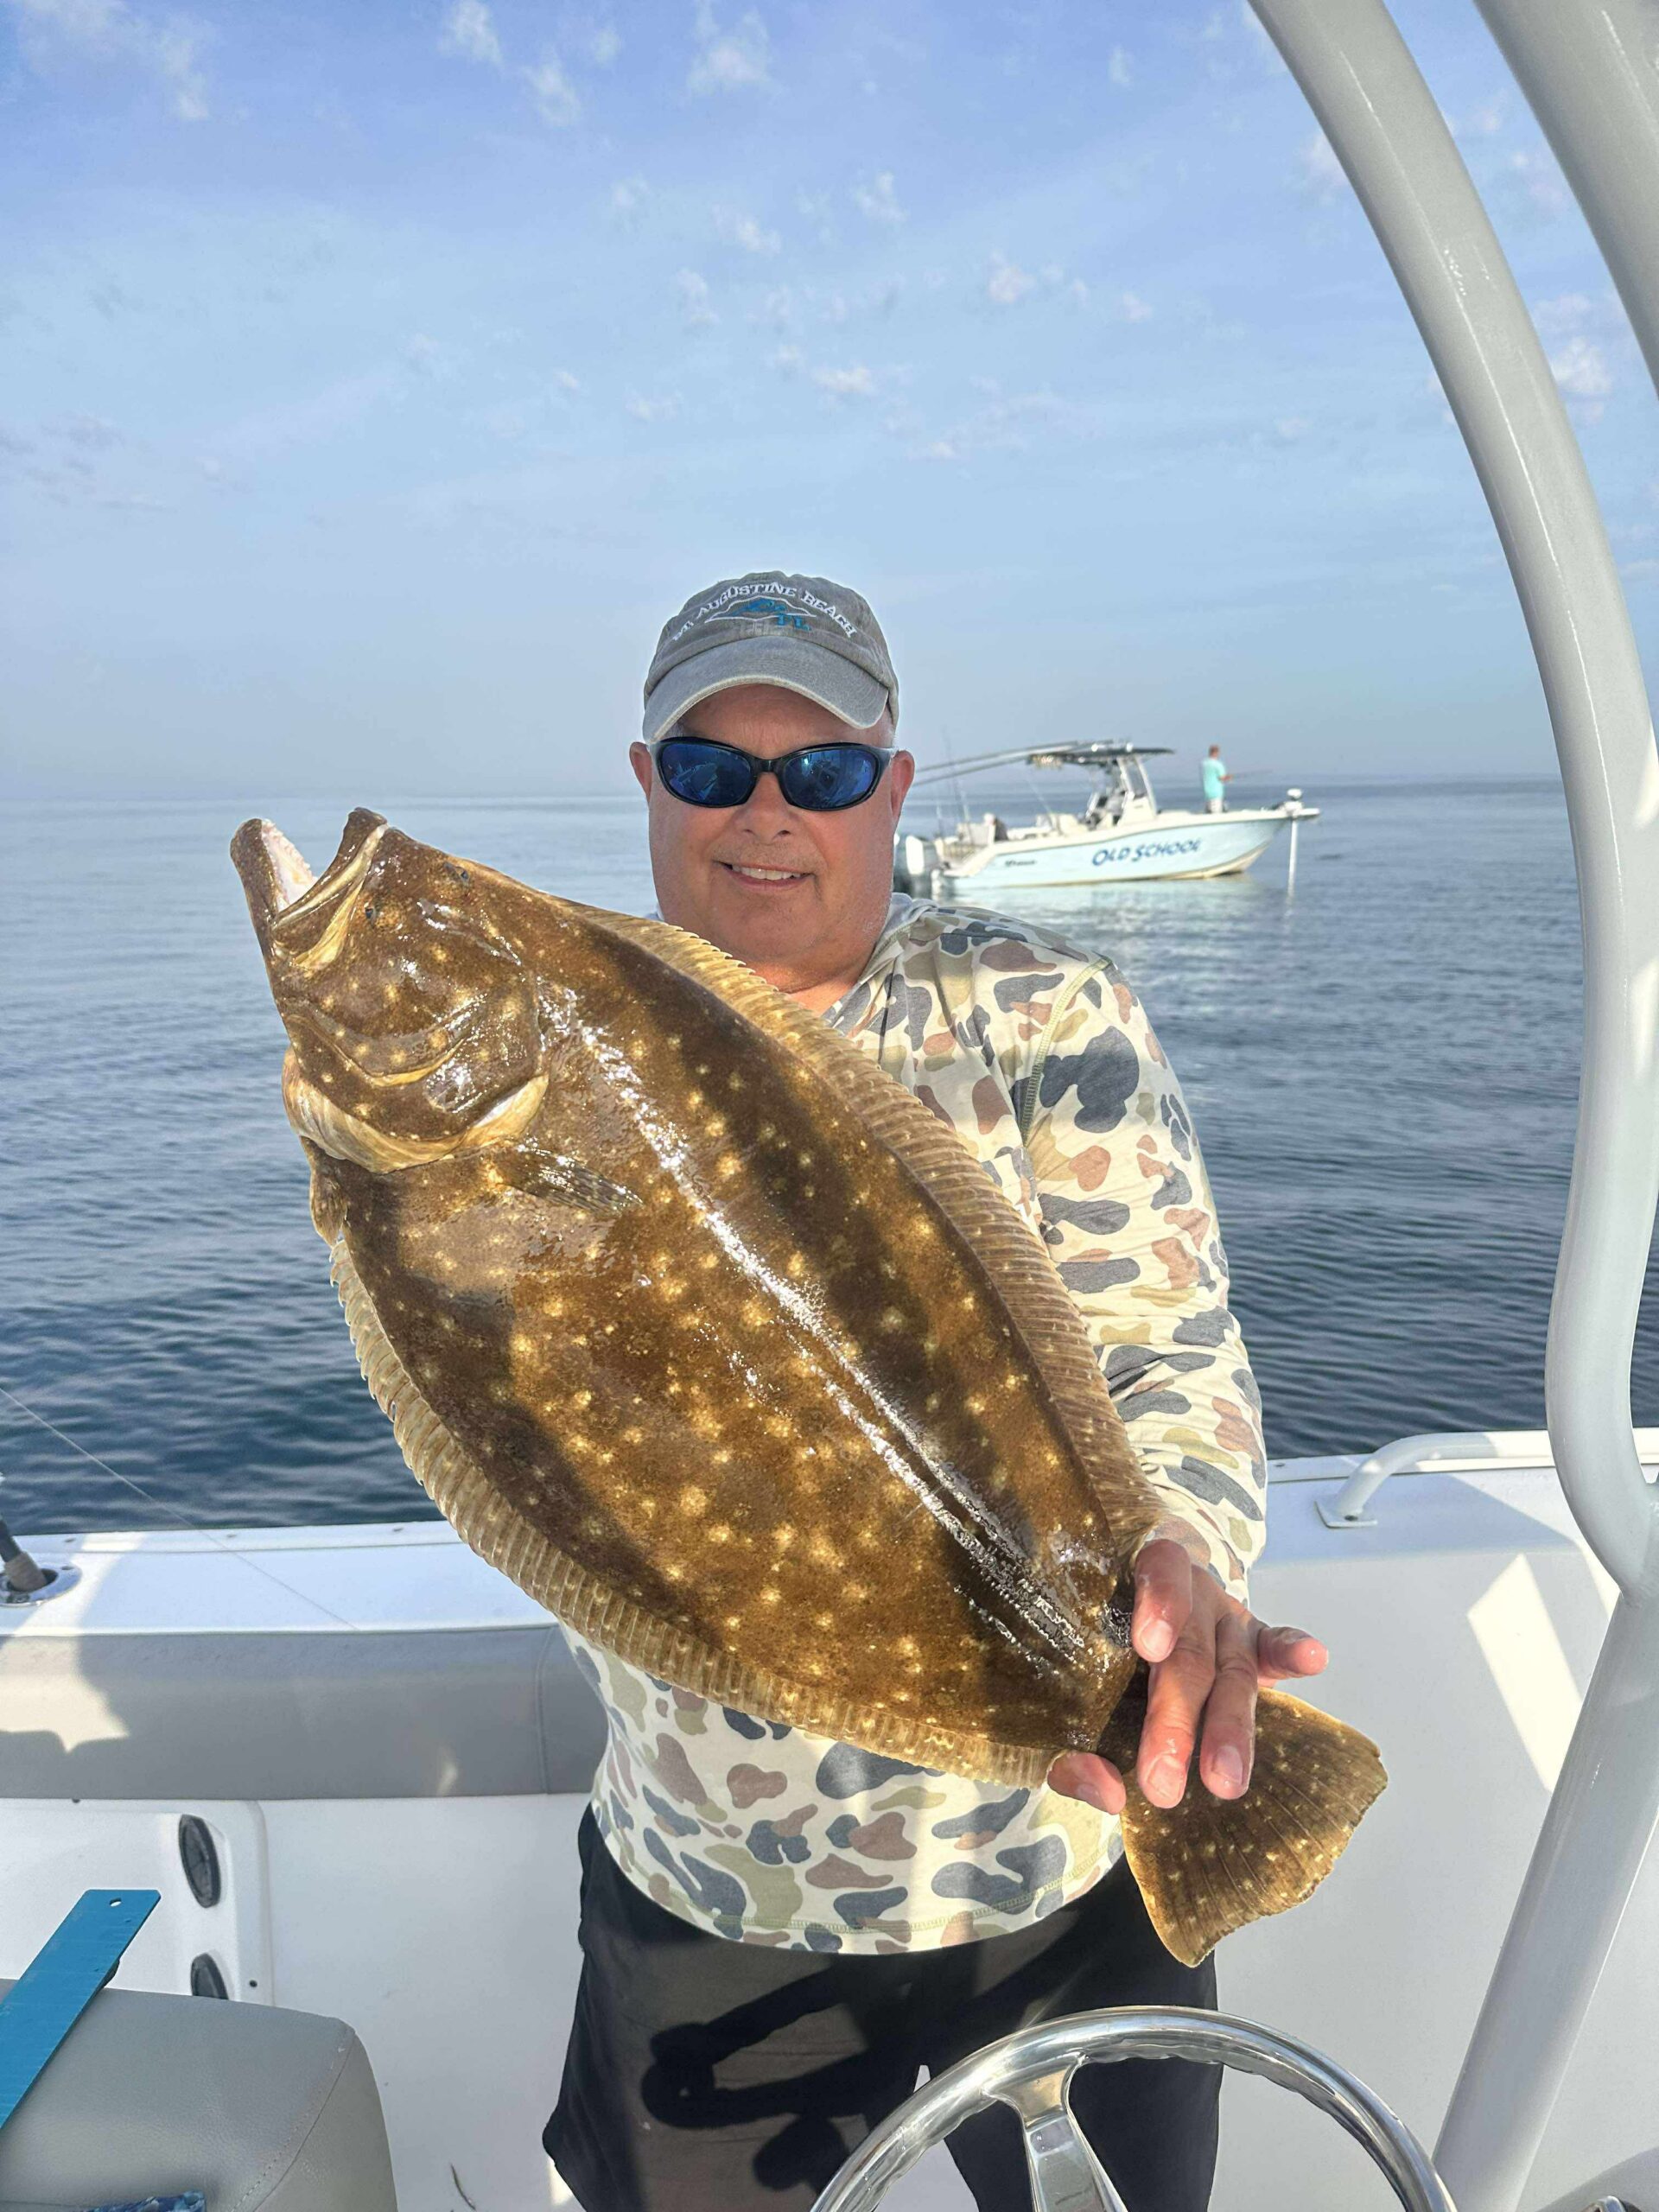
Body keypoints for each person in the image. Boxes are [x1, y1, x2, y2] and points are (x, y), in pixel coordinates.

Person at [544, 571, 1328, 2212]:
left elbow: (1169, 1355)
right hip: (709, 1876)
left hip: (1052, 1871)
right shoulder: (561, 1054)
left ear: (892, 786)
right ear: (645, 783)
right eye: (711, 768)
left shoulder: (1049, 1016)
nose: (766, 814)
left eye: (820, 771)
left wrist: (1182, 1565)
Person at [1201, 746, 1230, 814]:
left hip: (1207, 793)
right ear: (1217, 753)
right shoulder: (1218, 765)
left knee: (1208, 814)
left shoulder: (1203, 764)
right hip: (1216, 794)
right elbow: (1222, 778)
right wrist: (1228, 777)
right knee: (1216, 814)